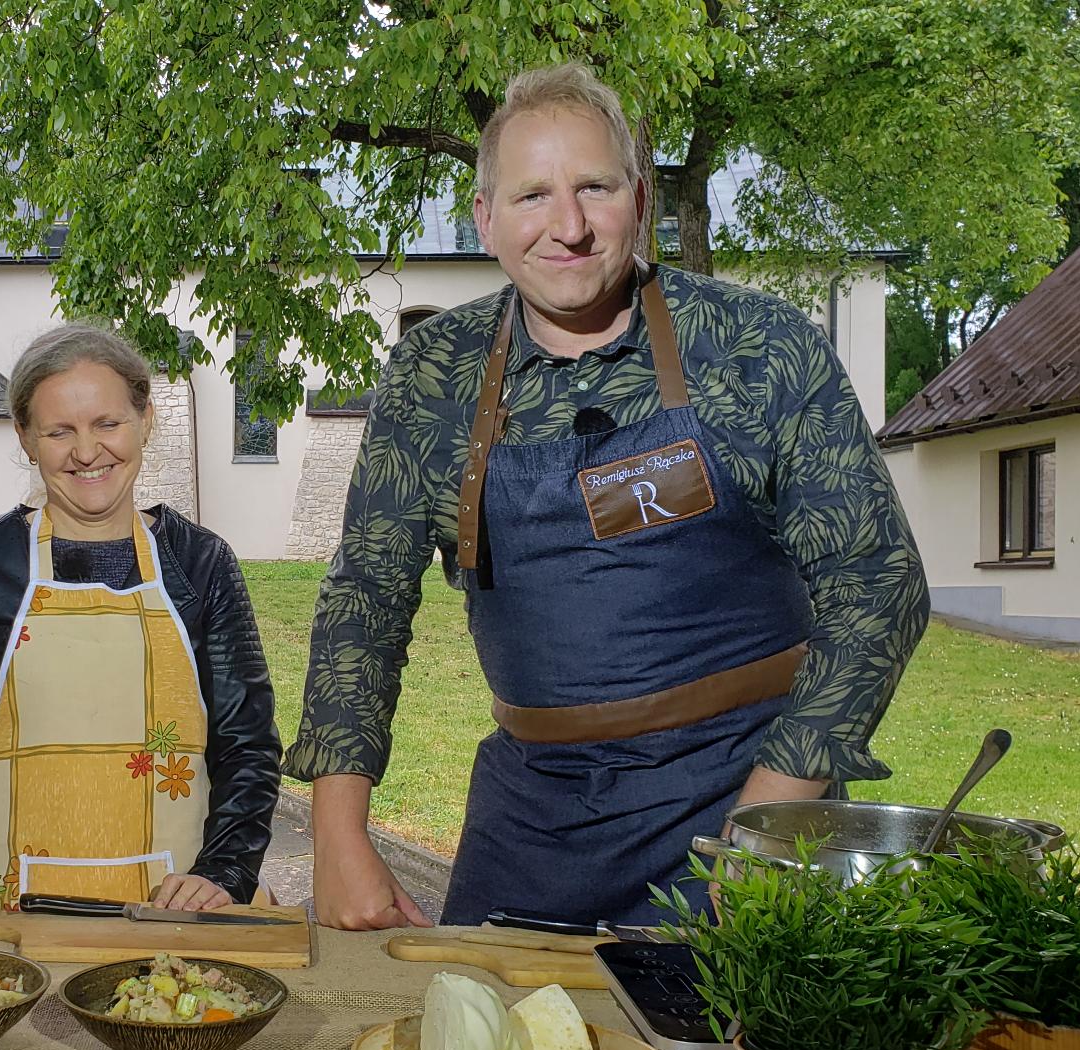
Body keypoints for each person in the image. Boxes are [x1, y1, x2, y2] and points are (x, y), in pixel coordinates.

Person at [286, 63, 929, 931]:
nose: (570, 226)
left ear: (641, 197)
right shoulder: (433, 374)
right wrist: (337, 834)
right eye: (533, 196)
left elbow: (877, 584)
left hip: (747, 803)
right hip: (531, 824)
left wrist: (766, 822)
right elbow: (365, 597)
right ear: (485, 218)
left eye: (595, 188)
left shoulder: (755, 346)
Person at [0, 322, 282, 941]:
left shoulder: (202, 565)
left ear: (145, 421)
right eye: (59, 431)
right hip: (7, 916)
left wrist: (225, 872)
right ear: (25, 437)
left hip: (181, 915)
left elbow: (247, 745)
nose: (87, 452)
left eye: (107, 423)